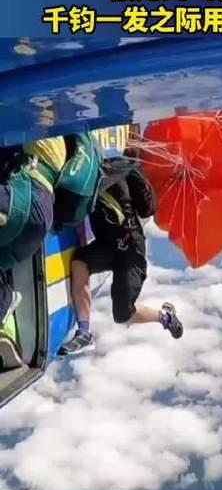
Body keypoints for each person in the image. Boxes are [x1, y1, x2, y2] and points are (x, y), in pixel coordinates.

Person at [58, 148, 183, 356]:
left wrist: (133, 170)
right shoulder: (89, 173)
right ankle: (84, 332)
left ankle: (165, 316)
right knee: (79, 262)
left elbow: (147, 208)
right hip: (108, 243)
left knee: (123, 314)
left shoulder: (120, 169)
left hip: (130, 252)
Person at [0, 131, 103, 369]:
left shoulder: (37, 115)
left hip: (22, 199)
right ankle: (4, 308)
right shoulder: (58, 134)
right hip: (37, 220)